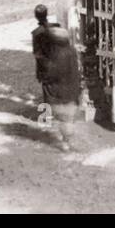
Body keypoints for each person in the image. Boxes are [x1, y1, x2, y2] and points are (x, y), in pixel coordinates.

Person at [41, 16, 82, 152]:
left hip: (61, 92)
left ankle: (66, 143)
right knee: (68, 118)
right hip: (73, 90)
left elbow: (53, 74)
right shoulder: (71, 51)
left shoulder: (56, 56)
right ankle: (68, 140)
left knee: (64, 119)